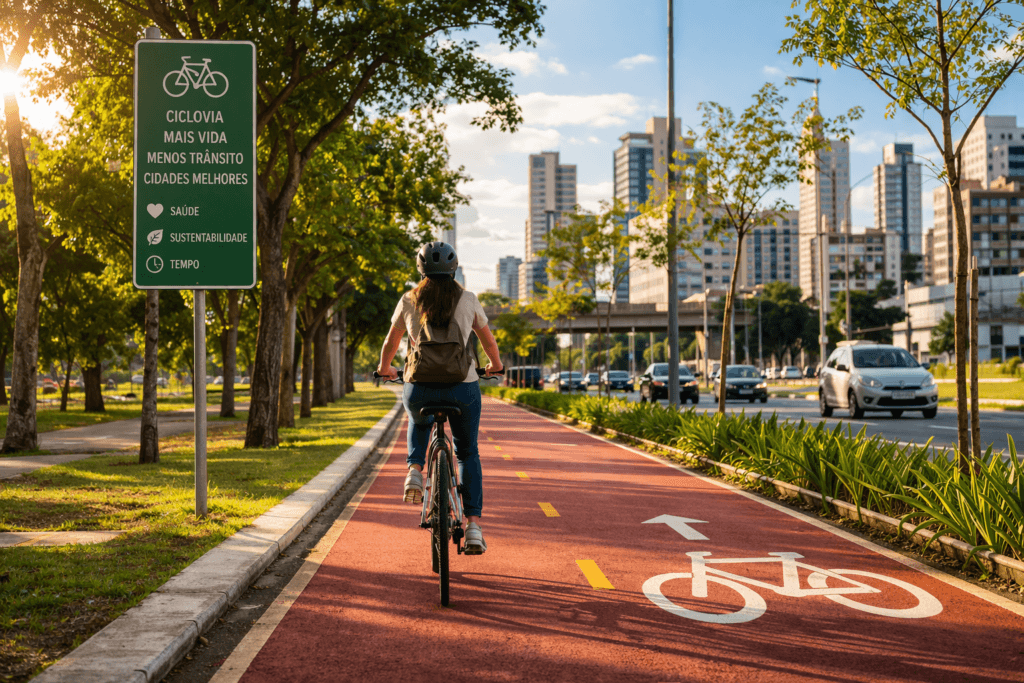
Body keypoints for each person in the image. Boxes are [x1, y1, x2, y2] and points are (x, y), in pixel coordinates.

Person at [377, 242, 503, 555]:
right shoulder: (469, 299)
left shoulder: (409, 299)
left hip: (419, 385)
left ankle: (415, 471)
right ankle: (473, 526)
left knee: (418, 418)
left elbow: (391, 343)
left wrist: (384, 369)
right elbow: (489, 343)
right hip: (463, 387)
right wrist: (495, 367)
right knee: (467, 452)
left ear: (421, 269)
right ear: (454, 268)